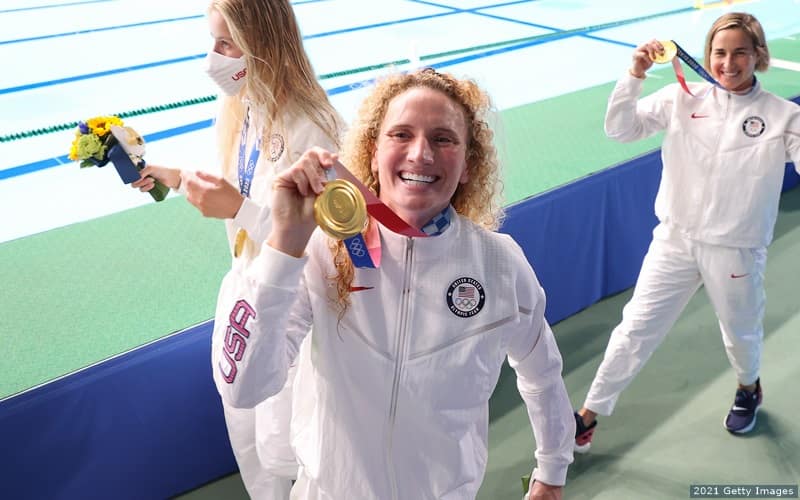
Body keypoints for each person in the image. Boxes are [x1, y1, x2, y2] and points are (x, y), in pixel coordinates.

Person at [210, 68, 574, 500]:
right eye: (401, 134)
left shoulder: (499, 264)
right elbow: (244, 386)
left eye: (443, 138)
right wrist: (284, 245)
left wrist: (552, 470)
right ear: (373, 151)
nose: (420, 154)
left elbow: (542, 373)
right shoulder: (324, 252)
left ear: (468, 165)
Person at [132, 1, 343, 498]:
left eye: (226, 44)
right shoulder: (242, 106)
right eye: (213, 41)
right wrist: (176, 177)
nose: (214, 57)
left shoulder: (314, 128)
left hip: (291, 309)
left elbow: (327, 243)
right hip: (243, 292)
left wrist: (240, 210)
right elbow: (240, 185)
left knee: (290, 454)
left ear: (260, 44)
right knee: (249, 445)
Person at [574, 12, 800, 452]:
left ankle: (748, 387)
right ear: (707, 55)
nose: (728, 63)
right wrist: (634, 74)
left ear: (758, 55)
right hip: (675, 240)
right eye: (720, 52)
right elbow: (620, 129)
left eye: (740, 53)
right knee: (635, 328)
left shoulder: (783, 116)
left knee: (740, 332)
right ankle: (587, 416)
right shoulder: (681, 97)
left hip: (735, 249)